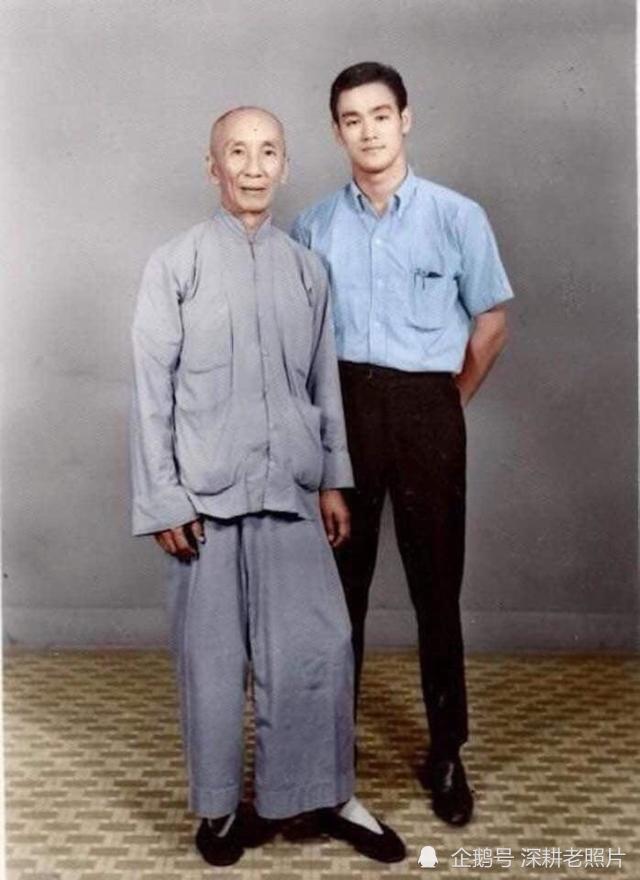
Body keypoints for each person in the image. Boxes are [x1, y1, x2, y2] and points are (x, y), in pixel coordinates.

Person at [130, 105, 405, 866]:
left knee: (318, 648)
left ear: (286, 166)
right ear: (212, 165)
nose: (253, 167)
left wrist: (333, 481)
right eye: (237, 152)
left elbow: (323, 387)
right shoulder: (175, 265)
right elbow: (151, 393)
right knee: (214, 663)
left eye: (269, 152)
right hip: (204, 501)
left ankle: (325, 793)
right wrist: (164, 498)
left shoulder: (306, 270)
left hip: (291, 490)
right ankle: (220, 810)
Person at [292, 62, 514, 827]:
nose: (368, 131)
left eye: (380, 115)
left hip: (427, 411)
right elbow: (301, 342)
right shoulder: (314, 225)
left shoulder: (456, 216)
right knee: (336, 597)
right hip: (345, 411)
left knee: (436, 592)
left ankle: (447, 752)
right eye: (352, 119)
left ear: (405, 118)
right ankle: (330, 754)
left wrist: (446, 403)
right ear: (337, 132)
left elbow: (490, 321)